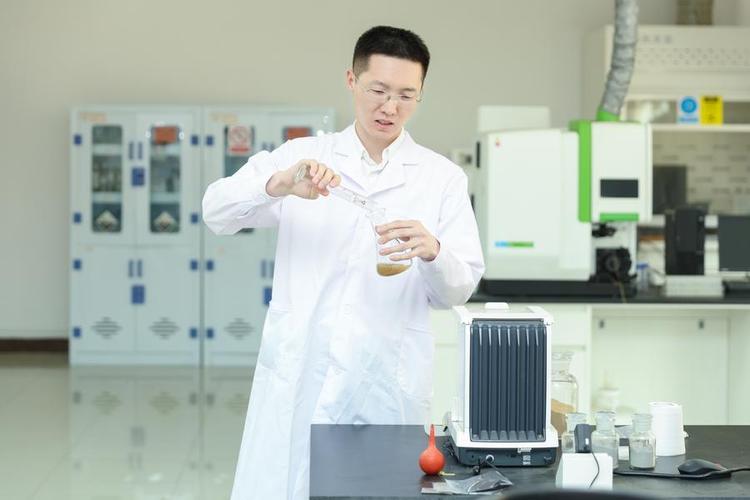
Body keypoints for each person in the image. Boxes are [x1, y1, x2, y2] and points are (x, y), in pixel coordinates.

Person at [202, 25, 484, 500]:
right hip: (301, 374)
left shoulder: (441, 179)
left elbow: (457, 290)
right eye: (378, 90)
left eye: (406, 95)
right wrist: (278, 185)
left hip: (384, 383)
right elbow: (216, 212)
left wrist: (434, 251)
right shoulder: (303, 158)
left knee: (378, 489)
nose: (390, 107)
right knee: (289, 484)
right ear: (352, 81)